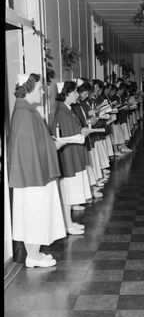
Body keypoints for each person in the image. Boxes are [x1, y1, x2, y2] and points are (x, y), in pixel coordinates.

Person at [8, 73, 67, 267]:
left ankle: (35, 253)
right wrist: (53, 145)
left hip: (35, 172)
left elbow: (37, 142)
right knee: (33, 213)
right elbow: (28, 148)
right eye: (40, 88)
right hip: (32, 176)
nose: (42, 92)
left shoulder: (27, 111)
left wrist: (50, 143)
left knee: (35, 213)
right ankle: (32, 255)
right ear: (29, 89)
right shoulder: (24, 114)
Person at [50, 81, 92, 235]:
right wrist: (81, 134)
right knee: (67, 191)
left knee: (70, 191)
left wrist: (81, 131)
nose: (77, 95)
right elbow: (64, 136)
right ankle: (67, 224)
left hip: (73, 152)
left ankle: (69, 222)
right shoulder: (62, 112)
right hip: (68, 155)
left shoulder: (68, 110)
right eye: (74, 92)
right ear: (66, 94)